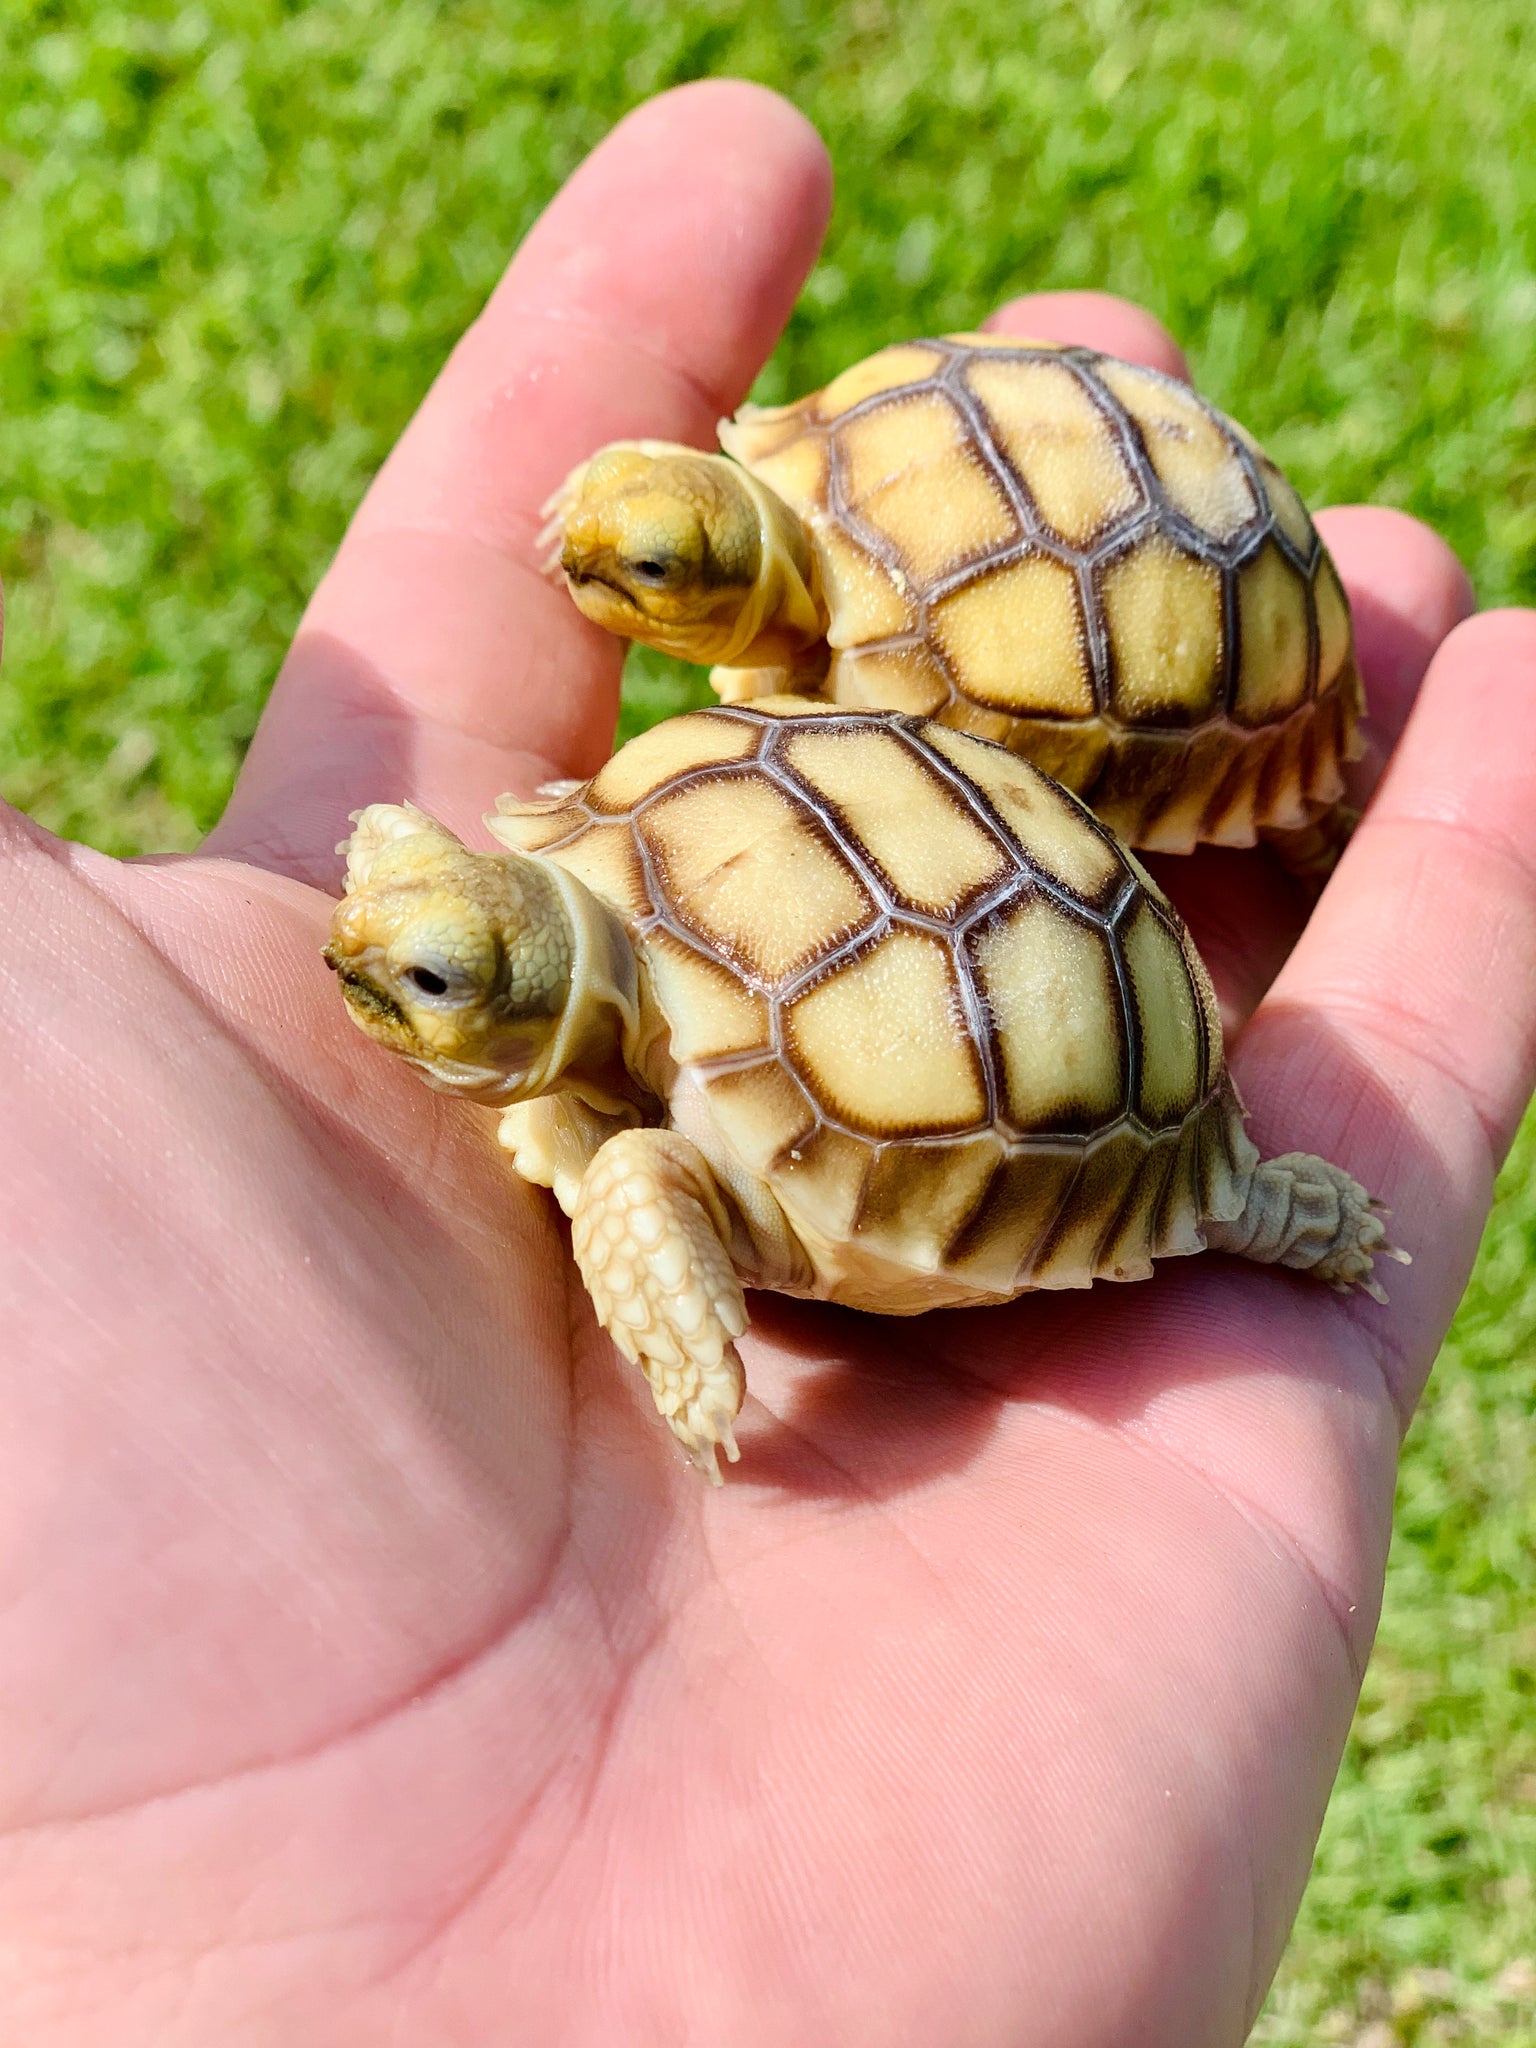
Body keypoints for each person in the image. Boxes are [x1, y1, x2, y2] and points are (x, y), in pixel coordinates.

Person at [1, 78, 1529, 2048]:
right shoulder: (658, 799)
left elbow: (666, 1156)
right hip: (966, 931)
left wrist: (677, 1298)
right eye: (435, 967)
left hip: (1032, 1033)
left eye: (439, 986)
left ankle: (1243, 1182)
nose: (386, 985)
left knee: (1240, 1187)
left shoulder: (648, 1110)